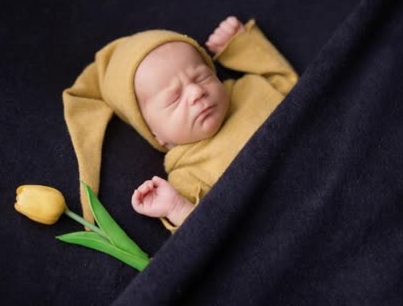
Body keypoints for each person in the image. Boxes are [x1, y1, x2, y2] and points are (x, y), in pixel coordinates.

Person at [63, 16, 297, 233]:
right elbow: (208, 233)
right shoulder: (187, 174)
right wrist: (176, 208)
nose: (196, 92)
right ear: (156, 135)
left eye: (201, 76)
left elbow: (297, 88)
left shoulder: (251, 89)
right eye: (174, 98)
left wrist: (241, 46)